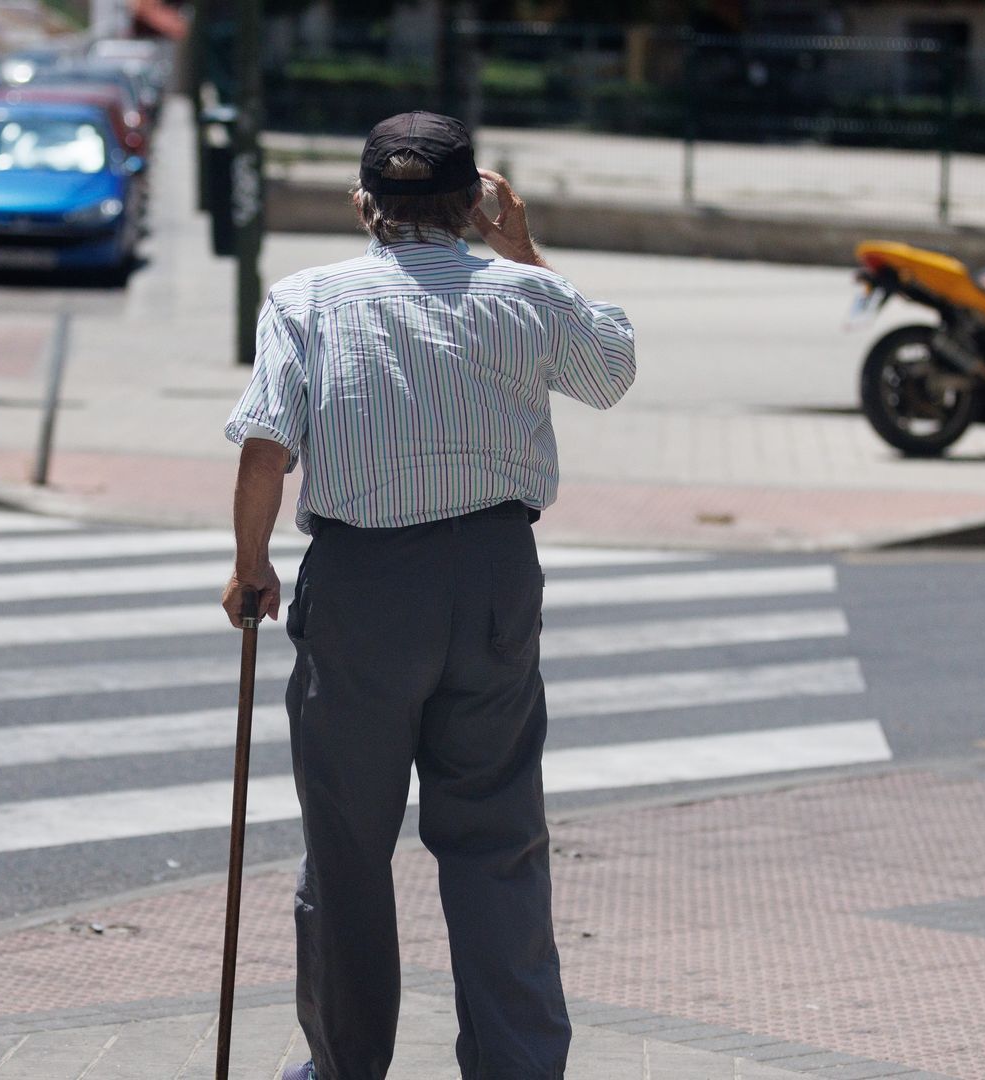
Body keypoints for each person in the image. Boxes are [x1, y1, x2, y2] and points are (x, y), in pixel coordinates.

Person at [221, 110, 636, 1080]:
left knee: (349, 846)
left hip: (365, 587)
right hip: (494, 578)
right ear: (475, 202)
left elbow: (266, 448)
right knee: (496, 839)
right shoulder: (524, 296)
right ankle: (518, 1066)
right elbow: (610, 372)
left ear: (366, 204)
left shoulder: (308, 300)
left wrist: (251, 567)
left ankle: (344, 1067)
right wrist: (523, 246)